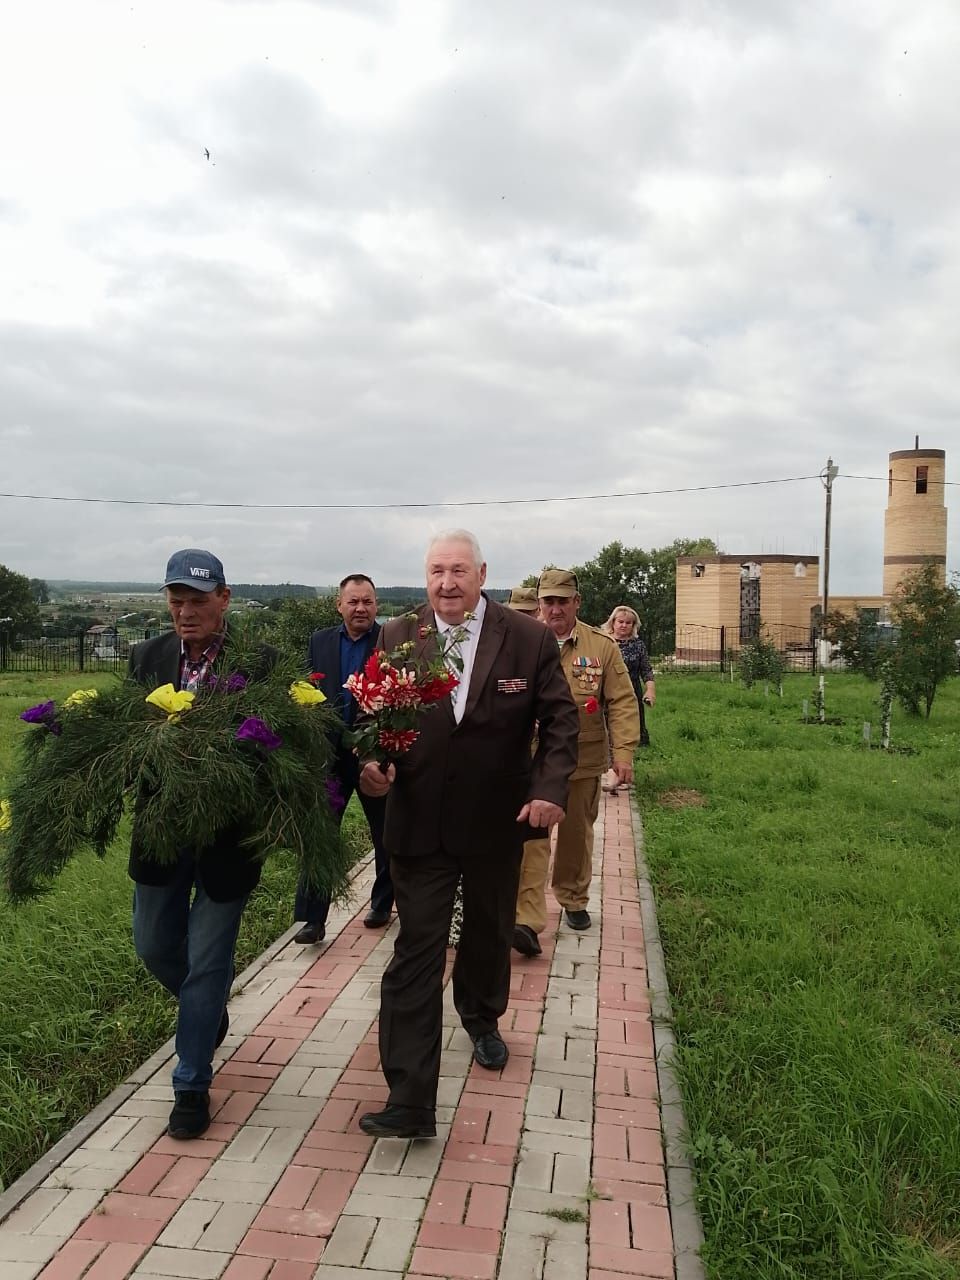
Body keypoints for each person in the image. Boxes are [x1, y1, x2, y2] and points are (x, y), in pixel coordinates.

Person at [356, 530, 579, 1139]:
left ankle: (481, 1017)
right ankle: (409, 1097)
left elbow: (560, 721)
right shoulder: (399, 635)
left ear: (481, 573)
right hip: (419, 820)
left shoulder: (527, 638)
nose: (446, 582)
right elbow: (375, 717)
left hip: (495, 820)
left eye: (458, 570)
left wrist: (548, 789)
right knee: (415, 953)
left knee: (486, 931)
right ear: (425, 576)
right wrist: (371, 765)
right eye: (436, 571)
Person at [128, 549, 278, 1140]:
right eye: (177, 599)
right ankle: (206, 1010)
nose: (185, 611)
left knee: (208, 962)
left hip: (228, 842)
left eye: (197, 599)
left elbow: (278, 751)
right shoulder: (146, 659)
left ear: (224, 598)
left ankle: (191, 1084)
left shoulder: (259, 665)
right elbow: (126, 739)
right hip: (161, 835)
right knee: (154, 946)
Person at [513, 569, 640, 956]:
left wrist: (624, 753)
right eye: (547, 601)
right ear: (539, 603)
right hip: (531, 759)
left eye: (561, 601)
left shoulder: (601, 646)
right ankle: (527, 921)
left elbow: (620, 700)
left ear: (576, 603)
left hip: (582, 760)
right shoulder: (520, 642)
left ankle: (572, 897)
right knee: (532, 839)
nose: (553, 609)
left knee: (575, 835)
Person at [293, 574, 391, 943]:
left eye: (367, 601)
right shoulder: (319, 641)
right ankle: (313, 919)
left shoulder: (388, 641)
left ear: (376, 605)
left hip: (372, 753)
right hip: (329, 755)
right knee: (321, 834)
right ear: (339, 605)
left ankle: (383, 901)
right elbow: (305, 688)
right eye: (353, 602)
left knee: (385, 832)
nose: (360, 608)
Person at [601, 605, 655, 790]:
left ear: (634, 625)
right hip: (606, 695)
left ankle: (622, 771)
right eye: (620, 622)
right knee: (608, 733)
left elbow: (646, 670)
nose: (624, 626)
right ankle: (612, 773)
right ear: (613, 622)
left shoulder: (638, 645)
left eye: (628, 623)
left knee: (626, 732)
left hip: (630, 695)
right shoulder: (605, 642)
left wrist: (650, 691)